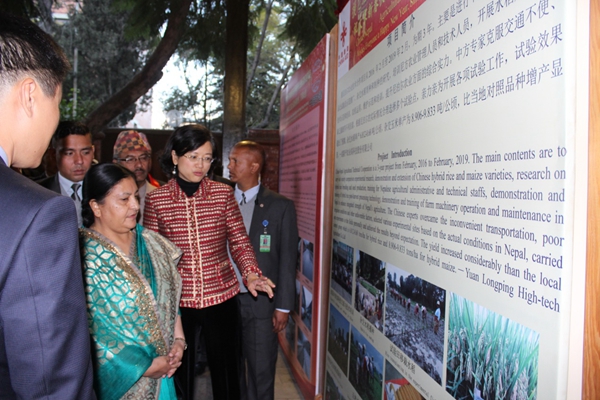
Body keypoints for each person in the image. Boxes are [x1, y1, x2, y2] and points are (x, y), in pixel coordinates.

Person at [0, 13, 95, 398]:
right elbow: (52, 383)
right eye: (56, 103)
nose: (55, 122)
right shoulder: (37, 214)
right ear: (29, 96)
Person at [143, 124, 275, 400]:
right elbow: (153, 255)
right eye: (193, 157)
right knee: (179, 374)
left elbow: (239, 241)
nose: (200, 165)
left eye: (206, 158)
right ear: (175, 156)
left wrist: (251, 273)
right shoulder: (157, 199)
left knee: (228, 374)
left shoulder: (222, 194)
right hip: (179, 303)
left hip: (221, 296)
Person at [80, 163, 185, 399]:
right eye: (124, 199)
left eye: (136, 197)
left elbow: (170, 299)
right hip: (122, 382)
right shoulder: (82, 257)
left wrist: (179, 341)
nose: (136, 206)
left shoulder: (152, 244)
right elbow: (90, 332)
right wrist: (142, 366)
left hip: (165, 372)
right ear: (96, 207)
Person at [227, 141, 298, 400]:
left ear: (254, 166)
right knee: (229, 371)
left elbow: (288, 259)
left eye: (236, 161)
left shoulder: (280, 206)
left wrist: (283, 307)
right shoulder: (219, 200)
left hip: (260, 304)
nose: (229, 166)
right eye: (230, 160)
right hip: (224, 301)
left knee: (261, 372)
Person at [39, 120, 95, 226]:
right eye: (69, 153)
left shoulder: (107, 189)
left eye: (86, 152)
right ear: (53, 154)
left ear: (93, 151)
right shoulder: (38, 192)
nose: (79, 161)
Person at [113, 130, 158, 224]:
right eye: (130, 159)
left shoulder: (159, 197)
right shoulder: (108, 198)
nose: (139, 165)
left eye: (143, 158)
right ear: (116, 163)